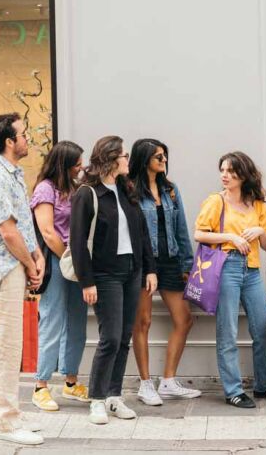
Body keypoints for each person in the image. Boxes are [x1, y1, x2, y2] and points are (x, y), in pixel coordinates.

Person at [69, 136, 157, 425]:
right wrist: (87, 282)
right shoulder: (88, 194)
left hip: (131, 271)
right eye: (123, 155)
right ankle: (96, 399)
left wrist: (150, 269)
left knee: (124, 338)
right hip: (104, 274)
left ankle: (113, 396)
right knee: (109, 338)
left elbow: (141, 234)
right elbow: (78, 242)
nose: (127, 159)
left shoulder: (125, 189)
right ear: (110, 158)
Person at [195, 151, 266, 408]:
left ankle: (265, 385)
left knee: (263, 327)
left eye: (230, 171)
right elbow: (199, 234)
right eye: (222, 170)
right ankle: (233, 390)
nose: (224, 175)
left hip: (252, 270)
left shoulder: (257, 204)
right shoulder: (217, 201)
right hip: (227, 267)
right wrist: (230, 237)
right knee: (228, 331)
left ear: (243, 174)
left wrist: (259, 231)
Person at [0, 112, 46, 446]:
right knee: (5, 348)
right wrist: (31, 264)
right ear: (9, 141)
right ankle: (3, 421)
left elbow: (22, 227)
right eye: (23, 134)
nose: (27, 138)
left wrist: (37, 256)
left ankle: (10, 415)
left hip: (14, 268)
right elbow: (7, 231)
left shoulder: (13, 174)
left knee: (12, 345)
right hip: (4, 273)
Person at [127, 138, 200, 405]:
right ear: (144, 159)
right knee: (142, 322)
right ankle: (145, 384)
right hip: (144, 262)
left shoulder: (170, 189)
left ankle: (168, 381)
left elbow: (181, 229)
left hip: (170, 260)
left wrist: (187, 265)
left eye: (165, 156)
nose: (164, 160)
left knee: (184, 319)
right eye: (158, 156)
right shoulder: (131, 189)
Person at [30, 141, 89, 411]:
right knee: (52, 320)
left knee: (77, 321)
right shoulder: (45, 189)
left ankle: (70, 381)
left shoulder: (74, 188)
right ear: (63, 164)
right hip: (58, 260)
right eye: (77, 162)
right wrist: (69, 256)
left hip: (74, 261)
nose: (81, 166)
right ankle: (40, 385)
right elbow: (48, 232)